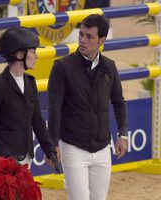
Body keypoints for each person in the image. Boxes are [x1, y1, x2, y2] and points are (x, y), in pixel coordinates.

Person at [48, 14, 128, 200]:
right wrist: (52, 144)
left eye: (89, 37)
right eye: (81, 35)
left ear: (101, 40)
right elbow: (54, 109)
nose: (83, 40)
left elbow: (119, 102)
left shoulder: (110, 66)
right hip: (73, 148)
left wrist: (123, 134)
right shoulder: (61, 67)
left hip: (102, 149)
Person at [0, 27, 57, 168]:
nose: (36, 56)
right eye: (33, 52)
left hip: (27, 158)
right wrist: (5, 155)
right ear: (20, 54)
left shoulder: (30, 82)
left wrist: (49, 149)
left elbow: (37, 120)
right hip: (3, 163)